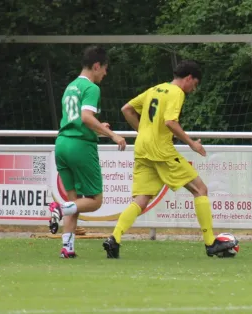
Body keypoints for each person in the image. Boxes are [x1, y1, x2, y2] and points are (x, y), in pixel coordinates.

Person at [102, 60, 236, 259]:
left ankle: (114, 239)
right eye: (195, 84)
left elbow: (126, 109)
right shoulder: (177, 92)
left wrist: (143, 131)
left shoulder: (155, 89)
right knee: (201, 189)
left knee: (141, 199)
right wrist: (192, 143)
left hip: (142, 148)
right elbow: (170, 122)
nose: (194, 89)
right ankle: (210, 244)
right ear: (189, 78)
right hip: (161, 151)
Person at [48, 46, 127, 258]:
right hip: (80, 146)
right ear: (96, 66)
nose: (105, 74)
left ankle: (67, 248)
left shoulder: (71, 86)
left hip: (62, 144)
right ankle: (59, 208)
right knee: (95, 200)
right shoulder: (92, 88)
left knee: (75, 201)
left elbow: (80, 120)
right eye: (104, 69)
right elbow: (85, 118)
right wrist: (113, 135)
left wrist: (99, 126)